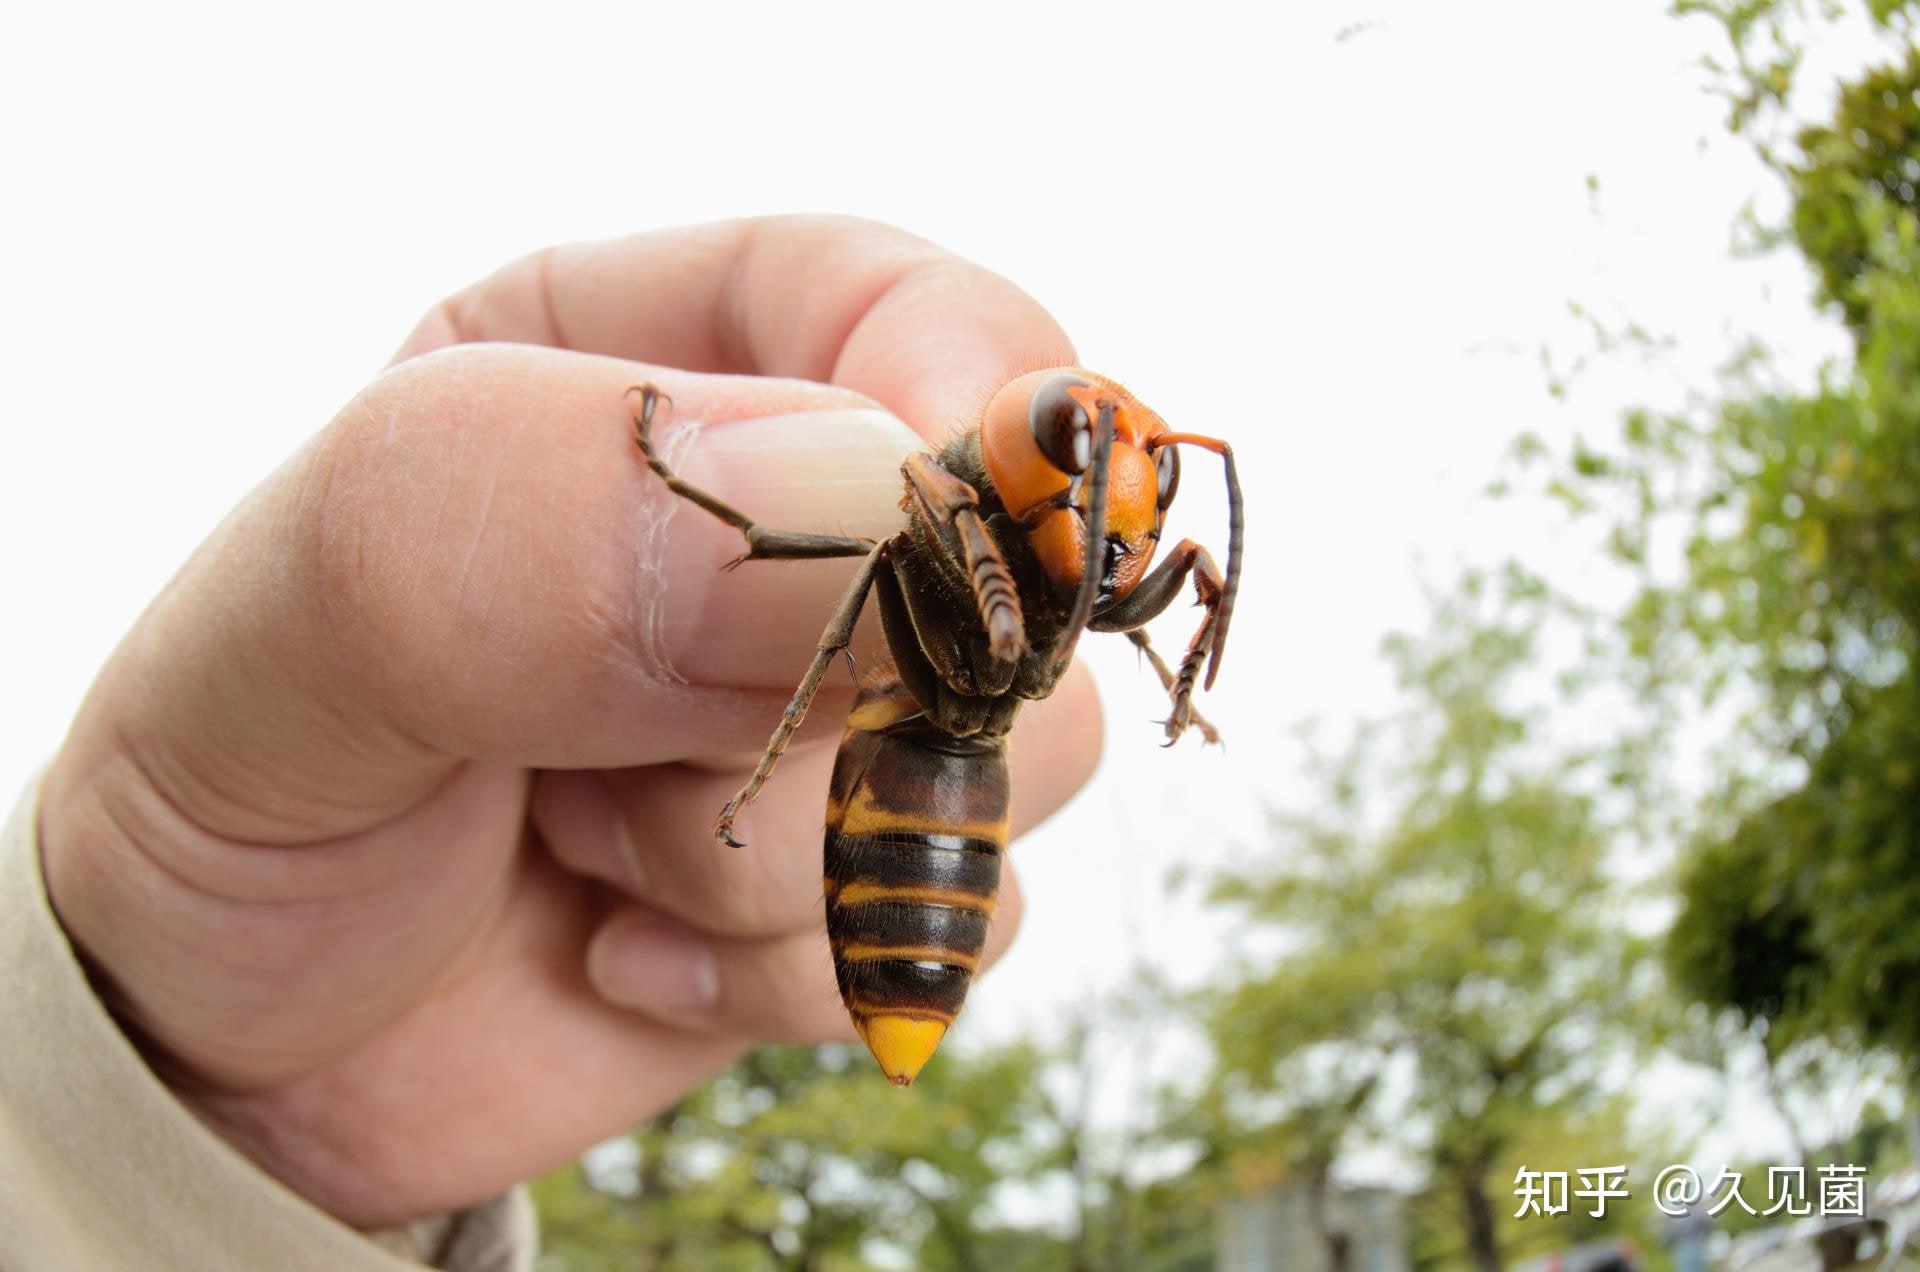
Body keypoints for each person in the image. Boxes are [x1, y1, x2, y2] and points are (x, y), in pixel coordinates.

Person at [0, 216, 1105, 1270]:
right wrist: (159, 1110)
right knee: (870, 554)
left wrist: (196, 1145)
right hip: (919, 798)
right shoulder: (937, 489)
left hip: (943, 790)